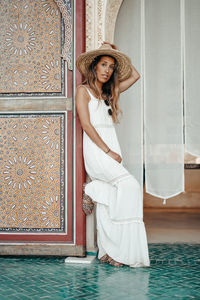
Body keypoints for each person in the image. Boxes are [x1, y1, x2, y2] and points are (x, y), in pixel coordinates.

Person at [76, 42, 150, 267]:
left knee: (109, 201)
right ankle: (92, 188)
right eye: (104, 64)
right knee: (131, 187)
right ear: (94, 67)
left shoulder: (108, 92)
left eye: (111, 66)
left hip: (112, 147)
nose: (107, 70)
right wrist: (107, 151)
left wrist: (117, 51)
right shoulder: (84, 91)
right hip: (98, 151)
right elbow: (87, 125)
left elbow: (136, 75)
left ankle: (110, 252)